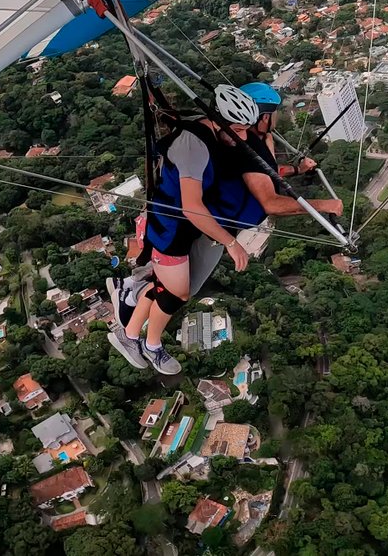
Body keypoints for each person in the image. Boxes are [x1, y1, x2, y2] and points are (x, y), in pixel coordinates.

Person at [108, 84, 340, 373]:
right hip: (171, 228)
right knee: (178, 293)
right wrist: (230, 242)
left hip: (184, 227)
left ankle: (131, 325)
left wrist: (293, 169)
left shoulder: (216, 136)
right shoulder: (193, 146)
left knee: (172, 288)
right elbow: (192, 206)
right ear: (221, 122)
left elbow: (253, 171)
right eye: (239, 130)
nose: (243, 136)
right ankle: (144, 340)